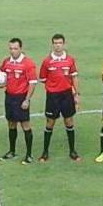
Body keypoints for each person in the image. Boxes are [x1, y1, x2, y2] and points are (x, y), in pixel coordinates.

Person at [38, 34, 81, 163]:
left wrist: (76, 94)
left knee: (69, 121)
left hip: (67, 95)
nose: (58, 45)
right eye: (55, 43)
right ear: (52, 44)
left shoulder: (70, 60)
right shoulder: (47, 61)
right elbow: (43, 79)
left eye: (60, 43)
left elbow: (74, 77)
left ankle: (72, 151)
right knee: (50, 122)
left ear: (64, 44)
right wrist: (53, 87)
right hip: (53, 96)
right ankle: (45, 152)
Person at [0, 38, 38, 164]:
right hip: (9, 97)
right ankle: (12, 151)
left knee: (25, 125)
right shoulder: (7, 62)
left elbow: (32, 83)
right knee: (11, 123)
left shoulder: (28, 63)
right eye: (11, 48)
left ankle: (29, 154)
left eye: (15, 48)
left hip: (21, 98)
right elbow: (2, 74)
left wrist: (27, 100)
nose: (13, 51)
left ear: (20, 48)